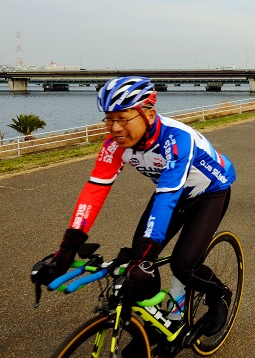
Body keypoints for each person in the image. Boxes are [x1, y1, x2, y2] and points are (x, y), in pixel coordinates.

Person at [32, 76, 236, 337]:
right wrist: (67, 248)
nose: (115, 128)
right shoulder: (115, 145)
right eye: (109, 119)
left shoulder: (177, 138)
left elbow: (167, 196)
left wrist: (146, 256)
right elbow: (94, 191)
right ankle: (156, 324)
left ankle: (219, 294)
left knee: (182, 264)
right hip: (170, 191)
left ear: (149, 115)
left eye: (123, 118)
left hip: (209, 193)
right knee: (136, 262)